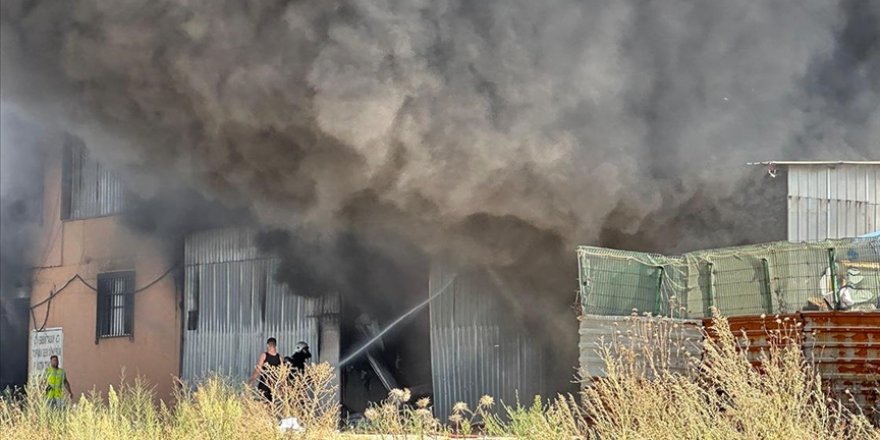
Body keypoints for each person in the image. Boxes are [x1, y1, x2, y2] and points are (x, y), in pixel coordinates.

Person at [248, 337, 282, 402]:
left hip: (264, 385)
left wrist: (251, 381)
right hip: (274, 385)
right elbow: (282, 373)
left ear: (268, 345)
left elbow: (258, 369)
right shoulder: (279, 358)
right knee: (272, 403)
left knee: (264, 403)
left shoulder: (264, 355)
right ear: (275, 345)